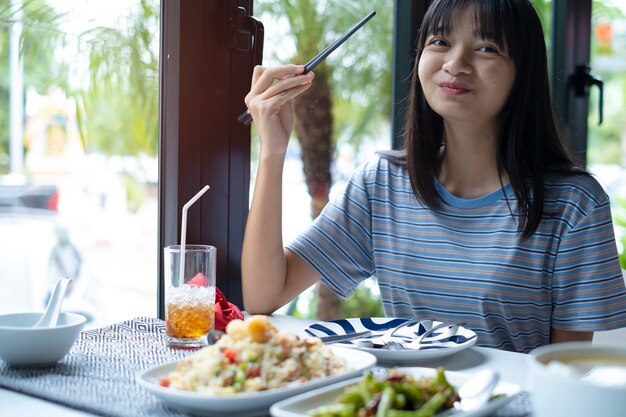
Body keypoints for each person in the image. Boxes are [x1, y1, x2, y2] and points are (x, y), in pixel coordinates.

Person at [241, 0, 626, 353]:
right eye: (440, 41)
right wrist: (273, 151)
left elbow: (564, 368)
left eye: (486, 48)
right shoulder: (383, 184)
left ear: (522, 72)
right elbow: (264, 296)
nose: (455, 63)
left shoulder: (576, 203)